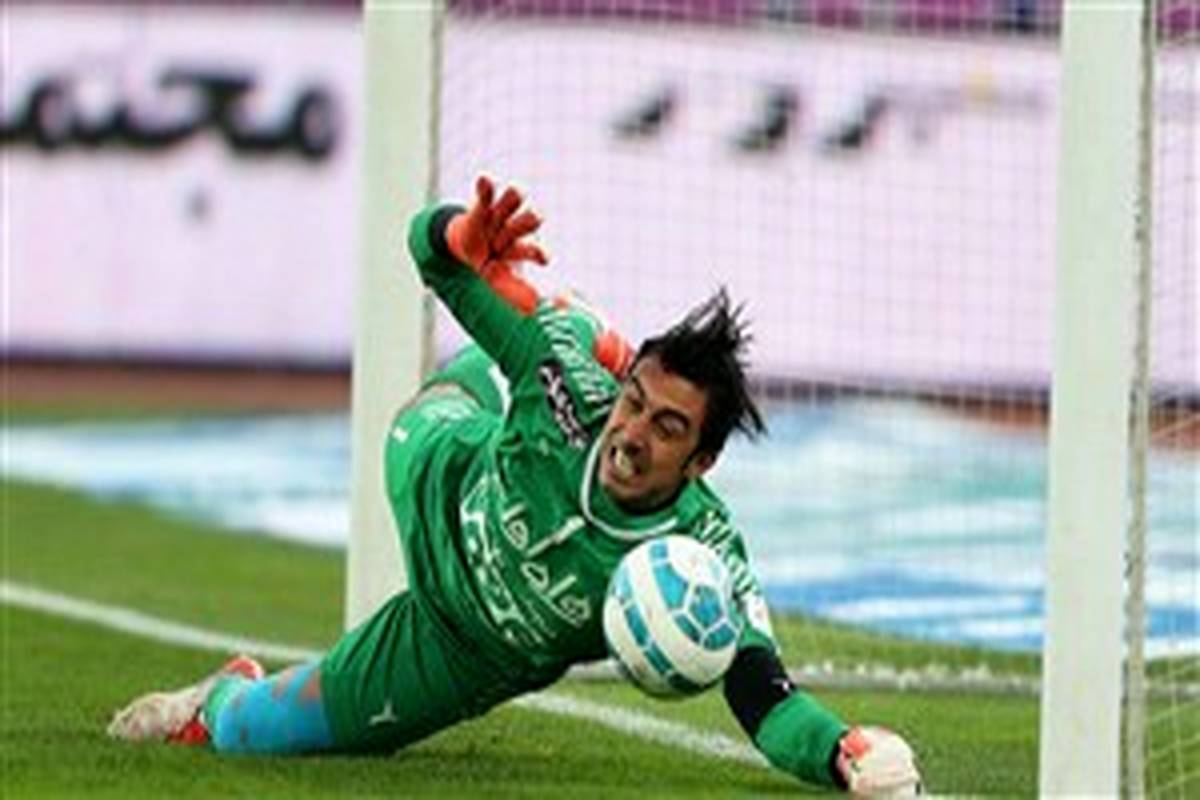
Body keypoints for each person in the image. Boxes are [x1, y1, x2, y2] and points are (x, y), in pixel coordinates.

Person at [108, 176, 922, 796]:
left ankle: (223, 694)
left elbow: (765, 700)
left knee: (252, 737)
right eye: (634, 402)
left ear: (701, 463)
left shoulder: (701, 559)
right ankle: (579, 327)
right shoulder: (568, 389)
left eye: (668, 428)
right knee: (538, 340)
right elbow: (431, 256)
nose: (632, 436)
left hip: (459, 649)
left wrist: (840, 753)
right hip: (437, 461)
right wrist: (456, 234)